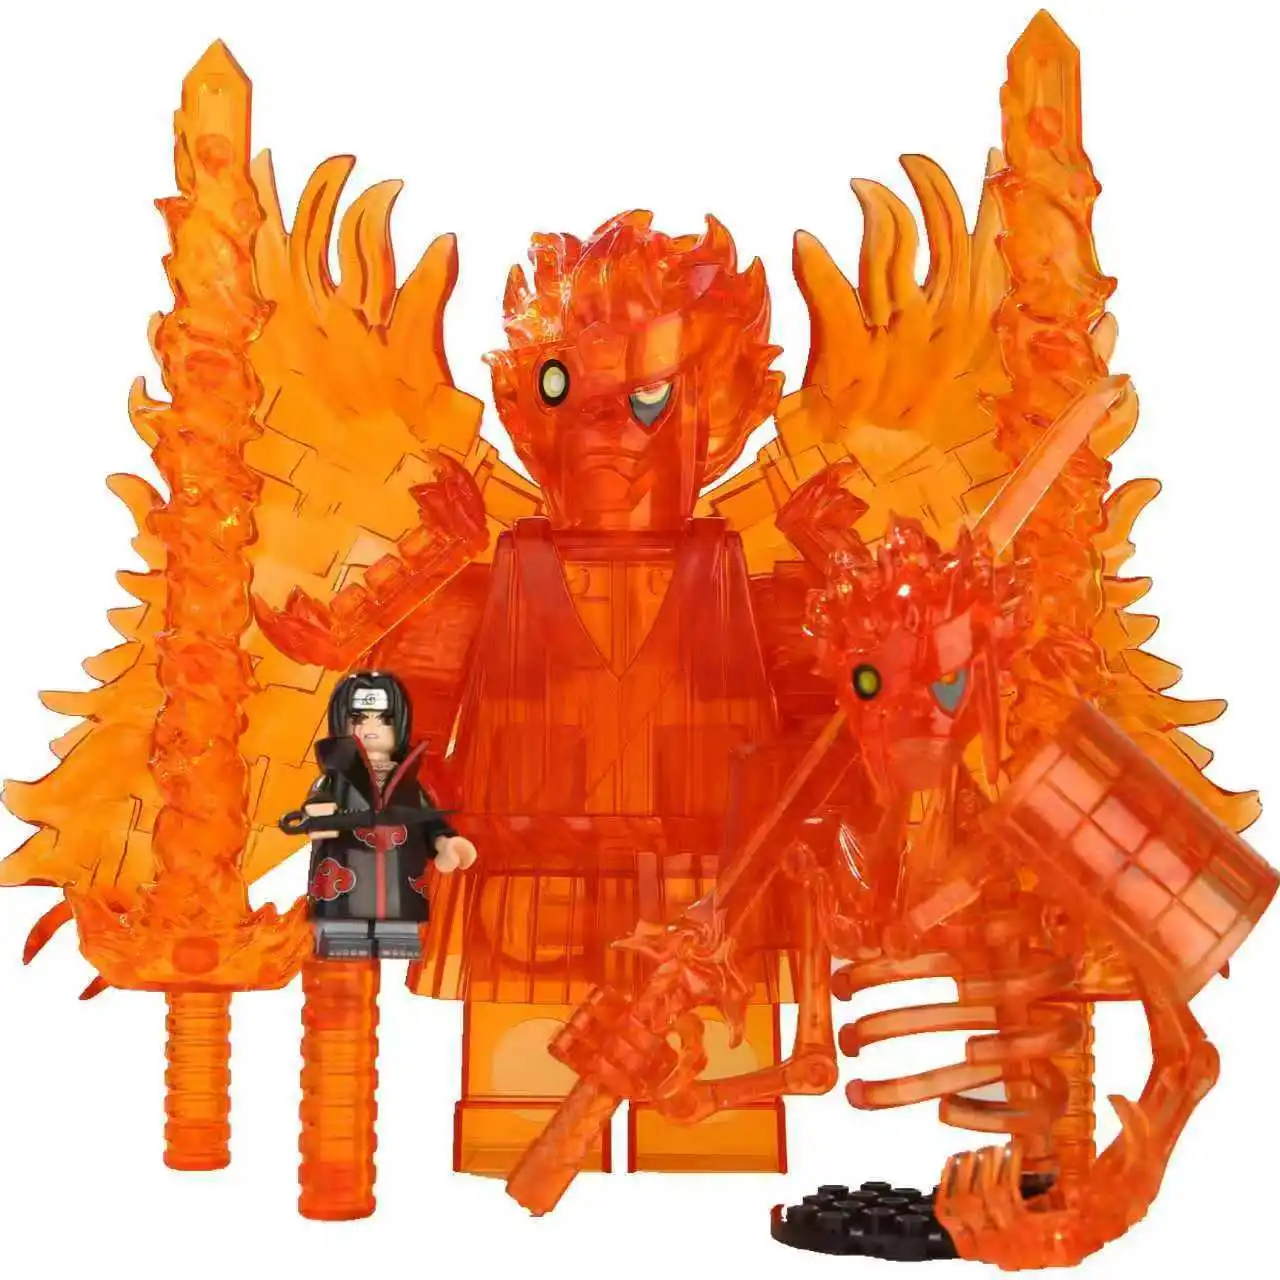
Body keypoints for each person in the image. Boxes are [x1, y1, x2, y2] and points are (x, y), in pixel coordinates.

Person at [299, 670, 476, 959]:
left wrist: (445, 843)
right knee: (343, 942)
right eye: (358, 719)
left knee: (398, 936)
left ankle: (395, 936)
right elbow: (315, 811)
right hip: (344, 890)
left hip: (399, 889)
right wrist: (321, 816)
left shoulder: (408, 782)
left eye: (384, 720)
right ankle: (341, 938)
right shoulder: (334, 781)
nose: (371, 728)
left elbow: (429, 821)